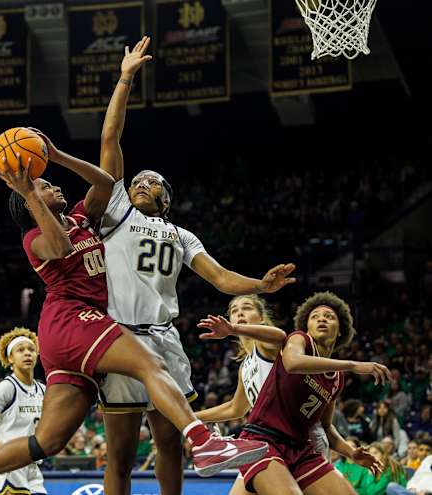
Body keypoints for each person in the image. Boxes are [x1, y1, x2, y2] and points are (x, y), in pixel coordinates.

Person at [0, 126, 268, 495]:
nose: (55, 186)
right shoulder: (34, 239)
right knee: (150, 365)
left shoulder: (82, 217)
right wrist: (29, 192)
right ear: (32, 201)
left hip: (68, 340)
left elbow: (105, 182)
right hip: (74, 319)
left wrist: (57, 155)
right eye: (47, 186)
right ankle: (203, 440)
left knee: (46, 442)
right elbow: (62, 247)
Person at [96, 36, 296, 495]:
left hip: (165, 338)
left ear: (166, 199)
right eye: (138, 180)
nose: (142, 183)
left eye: (152, 182)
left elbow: (222, 278)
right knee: (122, 454)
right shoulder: (118, 211)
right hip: (121, 336)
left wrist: (262, 286)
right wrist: (125, 78)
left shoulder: (182, 234)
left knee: (171, 443)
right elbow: (111, 138)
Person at [237, 291, 393, 494]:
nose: (322, 319)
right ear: (306, 327)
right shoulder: (299, 340)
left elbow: (326, 427)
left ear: (340, 331)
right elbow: (293, 363)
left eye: (329, 317)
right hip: (262, 439)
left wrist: (351, 452)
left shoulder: (337, 378)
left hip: (300, 448)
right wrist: (353, 365)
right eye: (315, 316)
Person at [194, 295, 330, 495]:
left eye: (247, 308)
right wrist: (191, 418)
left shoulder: (267, 346)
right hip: (265, 440)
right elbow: (236, 408)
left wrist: (234, 329)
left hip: (300, 440)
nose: (240, 312)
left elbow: (279, 335)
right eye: (234, 310)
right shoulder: (245, 365)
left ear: (261, 317)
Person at [0, 327, 46, 495]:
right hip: (8, 466)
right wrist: (2, 453)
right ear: (10, 358)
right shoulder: (7, 387)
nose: (27, 353)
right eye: (20, 350)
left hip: (32, 465)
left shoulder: (43, 390)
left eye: (31, 350)